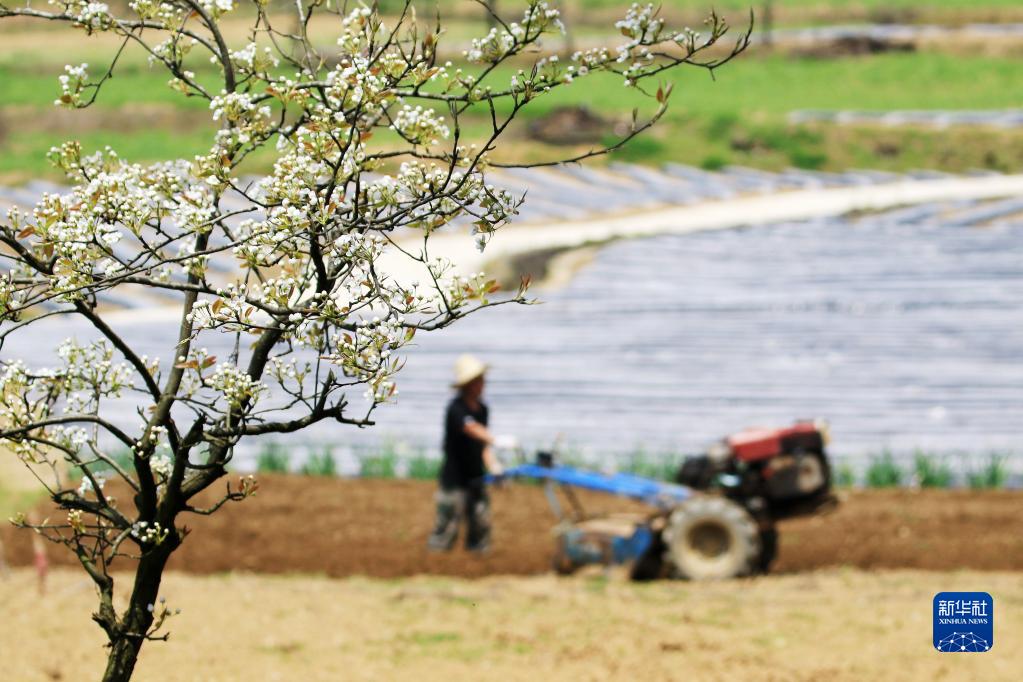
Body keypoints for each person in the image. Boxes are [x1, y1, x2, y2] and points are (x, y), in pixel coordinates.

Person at [427, 354, 504, 553]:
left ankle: (478, 566)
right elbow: (471, 429)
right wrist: (496, 439)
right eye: (478, 380)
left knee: (481, 522)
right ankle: (436, 562)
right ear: (468, 384)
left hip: (476, 476)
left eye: (482, 380)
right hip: (454, 479)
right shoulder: (456, 409)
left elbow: (482, 444)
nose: (482, 384)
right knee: (448, 524)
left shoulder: (483, 410)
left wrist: (493, 465)